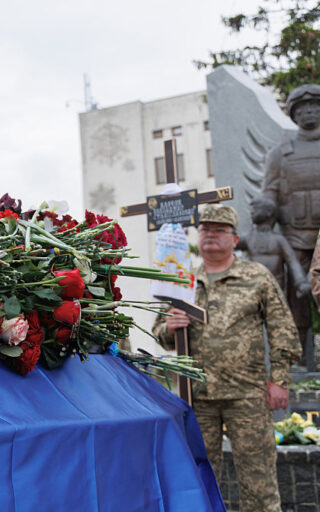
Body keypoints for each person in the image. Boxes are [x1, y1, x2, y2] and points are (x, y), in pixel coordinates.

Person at [152, 205, 300, 512]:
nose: (211, 235)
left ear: (234, 239)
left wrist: (281, 380)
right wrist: (169, 326)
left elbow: (281, 328)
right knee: (200, 479)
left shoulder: (256, 276)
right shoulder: (182, 280)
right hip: (197, 396)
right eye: (205, 229)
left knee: (259, 484)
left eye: (220, 230)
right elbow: (159, 332)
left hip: (247, 395)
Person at [261, 84, 320, 364]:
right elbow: (270, 193)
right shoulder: (280, 154)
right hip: (295, 238)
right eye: (302, 107)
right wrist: (264, 209)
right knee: (295, 304)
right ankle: (298, 362)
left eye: (315, 105)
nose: (309, 111)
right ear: (293, 114)